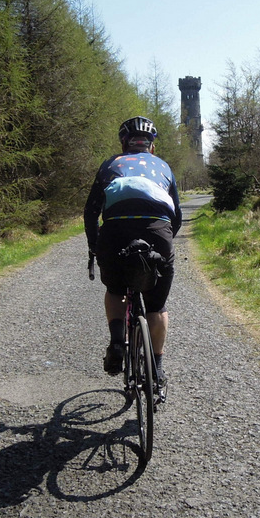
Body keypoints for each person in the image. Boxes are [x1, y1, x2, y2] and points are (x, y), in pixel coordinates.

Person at [84, 116, 182, 384]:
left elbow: (91, 212)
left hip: (115, 231)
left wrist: (95, 247)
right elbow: (177, 215)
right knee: (157, 306)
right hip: (157, 231)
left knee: (115, 290)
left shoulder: (110, 164)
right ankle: (156, 369)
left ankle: (117, 342)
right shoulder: (163, 166)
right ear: (152, 146)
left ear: (124, 144)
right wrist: (165, 242)